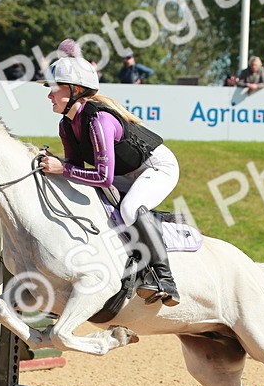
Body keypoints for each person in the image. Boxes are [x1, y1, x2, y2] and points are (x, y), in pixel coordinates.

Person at [39, 38, 180, 305]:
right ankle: (149, 225)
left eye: (54, 89)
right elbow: (76, 168)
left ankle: (165, 279)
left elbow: (103, 177)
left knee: (129, 208)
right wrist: (55, 166)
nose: (49, 95)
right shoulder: (66, 125)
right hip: (123, 173)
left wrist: (62, 168)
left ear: (75, 90)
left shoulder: (99, 119)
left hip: (157, 167)